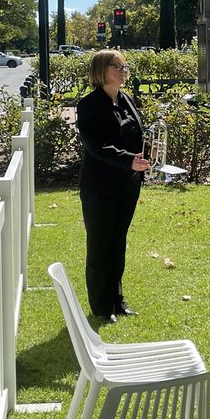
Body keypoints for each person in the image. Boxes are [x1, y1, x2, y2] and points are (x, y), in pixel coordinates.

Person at [75, 49, 149, 323]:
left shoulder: (126, 99)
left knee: (118, 244)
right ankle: (101, 306)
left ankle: (118, 301)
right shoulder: (89, 105)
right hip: (100, 188)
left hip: (128, 185)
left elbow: (136, 136)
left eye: (124, 66)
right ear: (101, 71)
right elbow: (96, 147)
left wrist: (144, 156)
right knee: (100, 246)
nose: (123, 70)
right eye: (117, 66)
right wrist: (129, 160)